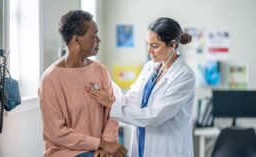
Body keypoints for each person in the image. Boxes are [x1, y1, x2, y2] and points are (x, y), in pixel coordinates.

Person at [86, 17, 195, 157]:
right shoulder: (150, 68)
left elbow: (154, 116)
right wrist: (104, 78)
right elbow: (130, 100)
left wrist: (111, 104)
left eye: (155, 46)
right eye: (147, 44)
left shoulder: (184, 75)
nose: (149, 51)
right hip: (143, 146)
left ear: (172, 45)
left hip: (167, 150)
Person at [38, 10, 127, 157]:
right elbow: (57, 133)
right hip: (66, 152)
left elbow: (112, 112)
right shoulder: (50, 79)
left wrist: (107, 146)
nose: (99, 40)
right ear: (76, 39)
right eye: (94, 36)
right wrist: (101, 144)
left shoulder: (100, 70)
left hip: (100, 148)